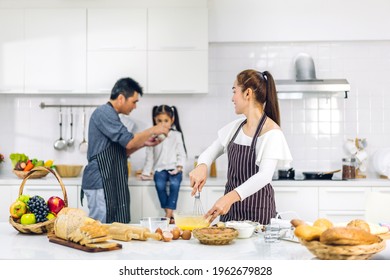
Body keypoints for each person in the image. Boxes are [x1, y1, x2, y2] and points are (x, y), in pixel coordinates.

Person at [189, 69, 292, 224]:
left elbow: (264, 176)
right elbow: (209, 152)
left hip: (259, 216)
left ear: (247, 93)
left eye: (234, 91)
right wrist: (202, 166)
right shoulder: (235, 128)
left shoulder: (272, 132)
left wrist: (229, 198)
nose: (232, 98)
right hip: (230, 214)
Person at [81, 77, 169, 224]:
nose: (135, 107)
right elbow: (128, 141)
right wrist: (154, 129)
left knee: (116, 228)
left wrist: (144, 144)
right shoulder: (104, 112)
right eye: (134, 101)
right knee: (100, 228)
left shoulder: (113, 116)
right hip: (100, 181)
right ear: (121, 98)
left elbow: (123, 151)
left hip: (111, 180)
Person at [140, 105, 187, 223]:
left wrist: (180, 167)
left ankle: (167, 216)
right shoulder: (153, 137)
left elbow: (181, 153)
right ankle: (170, 216)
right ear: (155, 120)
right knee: (159, 185)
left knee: (175, 184)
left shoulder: (176, 135)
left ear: (172, 120)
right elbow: (149, 157)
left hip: (174, 168)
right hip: (160, 169)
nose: (163, 124)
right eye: (159, 121)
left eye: (166, 121)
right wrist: (146, 172)